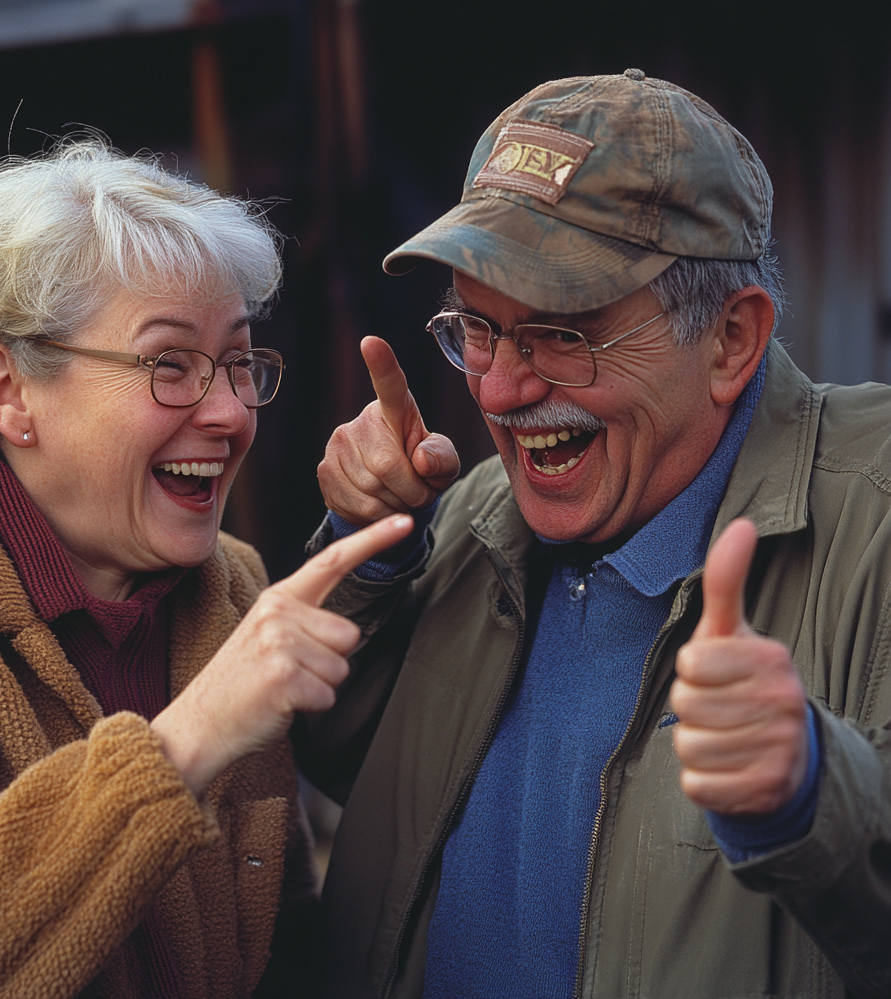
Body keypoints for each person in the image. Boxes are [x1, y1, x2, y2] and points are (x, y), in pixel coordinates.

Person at [297, 71, 891, 998]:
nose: (496, 391)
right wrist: (369, 550)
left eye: (562, 336)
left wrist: (811, 794)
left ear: (732, 338)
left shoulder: (878, 513)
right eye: (478, 331)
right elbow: (347, 763)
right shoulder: (472, 513)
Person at [0, 140, 411, 999]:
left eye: (237, 362)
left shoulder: (231, 584)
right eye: (169, 366)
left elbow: (286, 942)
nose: (231, 413)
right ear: (9, 391)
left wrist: (386, 536)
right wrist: (188, 740)